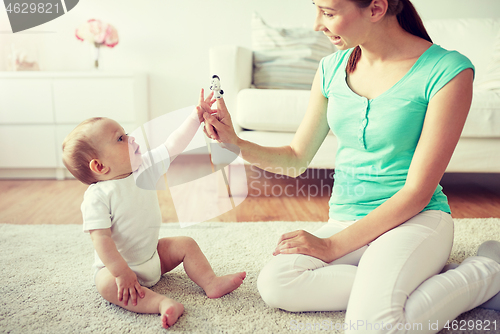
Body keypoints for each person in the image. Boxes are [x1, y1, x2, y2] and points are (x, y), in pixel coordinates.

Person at [201, 0, 500, 332]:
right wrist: (235, 143)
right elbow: (296, 158)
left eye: (328, 12)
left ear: (375, 8)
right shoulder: (331, 68)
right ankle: (425, 278)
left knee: (374, 326)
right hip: (346, 220)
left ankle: (489, 269)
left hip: (415, 220)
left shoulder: (447, 71)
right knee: (277, 283)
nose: (316, 24)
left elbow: (418, 192)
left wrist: (330, 247)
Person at [62, 89, 246, 329]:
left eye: (126, 134)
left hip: (152, 256)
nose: (131, 139)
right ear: (100, 166)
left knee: (186, 244)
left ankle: (211, 282)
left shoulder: (144, 167)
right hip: (121, 269)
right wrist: (120, 272)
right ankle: (161, 304)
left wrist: (196, 115)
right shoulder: (97, 196)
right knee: (105, 284)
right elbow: (101, 240)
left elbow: (173, 145)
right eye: (120, 139)